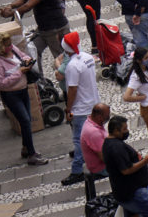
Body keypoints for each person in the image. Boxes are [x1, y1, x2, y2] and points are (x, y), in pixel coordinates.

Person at [0, 0, 70, 74]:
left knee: (60, 58)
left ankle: (68, 85)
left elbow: (28, 5)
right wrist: (10, 6)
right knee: (32, 51)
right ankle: (40, 81)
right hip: (43, 29)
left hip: (54, 28)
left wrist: (11, 13)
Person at [0, 32, 49, 165]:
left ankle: (26, 148)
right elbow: (1, 83)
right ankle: (32, 154)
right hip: (11, 95)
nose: (10, 46)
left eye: (10, 44)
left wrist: (26, 60)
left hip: (23, 90)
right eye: (7, 45)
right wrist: (19, 72)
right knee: (25, 121)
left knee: (27, 120)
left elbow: (23, 55)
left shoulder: (13, 49)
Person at [60, 31, 100, 186]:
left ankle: (77, 170)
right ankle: (99, 167)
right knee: (95, 137)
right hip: (94, 103)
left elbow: (72, 90)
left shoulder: (72, 66)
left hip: (81, 109)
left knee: (79, 139)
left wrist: (68, 109)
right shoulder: (88, 57)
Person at [102, 115, 148, 217]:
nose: (127, 131)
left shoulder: (110, 143)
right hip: (133, 193)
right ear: (116, 131)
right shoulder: (116, 148)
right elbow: (126, 170)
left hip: (126, 192)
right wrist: (144, 161)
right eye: (124, 129)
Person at [81, 103, 110, 177]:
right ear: (99, 117)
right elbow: (104, 157)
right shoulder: (94, 133)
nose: (108, 119)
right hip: (101, 168)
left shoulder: (90, 121)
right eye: (107, 117)